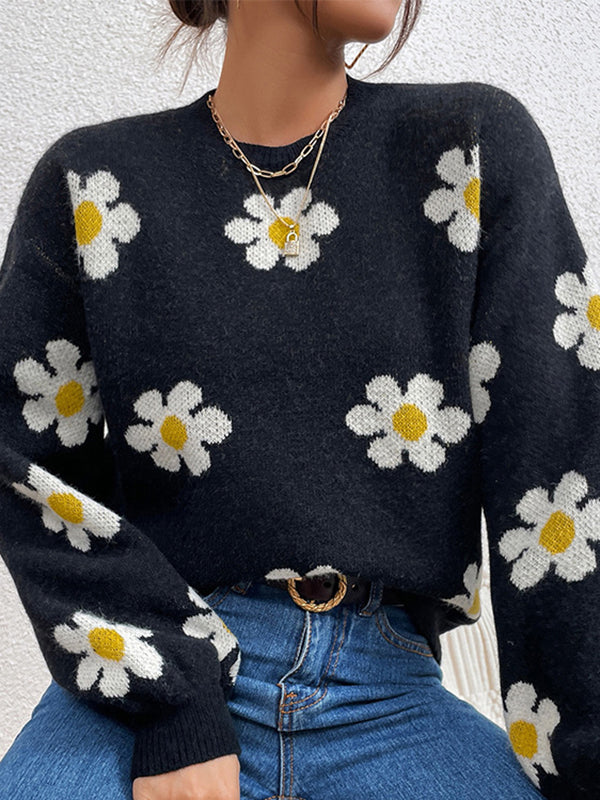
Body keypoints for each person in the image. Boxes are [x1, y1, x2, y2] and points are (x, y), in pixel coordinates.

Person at [0, 1, 598, 799]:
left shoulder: (474, 149)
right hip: (143, 691)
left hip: (390, 697)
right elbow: (28, 470)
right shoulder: (89, 183)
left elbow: (561, 486)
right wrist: (172, 702)